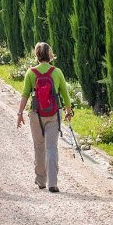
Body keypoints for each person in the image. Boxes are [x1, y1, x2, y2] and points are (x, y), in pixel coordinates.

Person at [17, 42, 74, 192]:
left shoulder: (31, 72)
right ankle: (53, 183)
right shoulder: (57, 72)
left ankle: (41, 180)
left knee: (39, 146)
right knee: (51, 147)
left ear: (36, 55)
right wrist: (68, 111)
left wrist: (20, 113)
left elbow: (25, 94)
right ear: (50, 54)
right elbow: (65, 95)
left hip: (36, 114)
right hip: (54, 113)